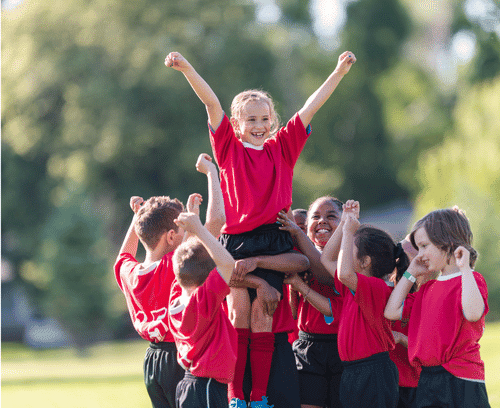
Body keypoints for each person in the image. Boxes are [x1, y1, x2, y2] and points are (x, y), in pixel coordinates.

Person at [165, 50, 356, 407]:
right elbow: (210, 102)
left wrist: (338, 73)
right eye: (250, 119)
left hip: (271, 237)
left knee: (261, 316)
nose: (258, 124)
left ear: (272, 121)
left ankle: (258, 395)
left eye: (264, 118)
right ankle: (236, 394)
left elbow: (311, 107)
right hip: (235, 241)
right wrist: (187, 67)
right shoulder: (228, 149)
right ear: (236, 125)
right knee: (237, 311)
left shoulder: (283, 147)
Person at [114, 154, 224, 408]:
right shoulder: (174, 265)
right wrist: (211, 176)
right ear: (171, 236)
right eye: (184, 229)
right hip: (179, 354)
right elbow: (215, 225)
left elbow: (123, 255)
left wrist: (137, 217)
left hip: (152, 360)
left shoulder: (129, 272)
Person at [384, 207, 491, 408]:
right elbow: (391, 312)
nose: (420, 254)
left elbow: (474, 313)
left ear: (448, 243)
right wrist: (411, 272)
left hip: (462, 378)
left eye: (424, 246)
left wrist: (465, 268)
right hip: (428, 379)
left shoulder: (471, 279)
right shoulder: (428, 290)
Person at [319, 200, 409, 408]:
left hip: (373, 371)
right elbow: (326, 259)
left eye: (349, 248)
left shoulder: (377, 288)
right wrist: (344, 224)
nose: (343, 252)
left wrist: (350, 232)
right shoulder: (352, 287)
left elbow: (343, 271)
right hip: (354, 371)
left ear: (365, 261)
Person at [277, 196, 344, 408]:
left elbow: (334, 309)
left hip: (341, 347)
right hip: (308, 346)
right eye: (316, 216)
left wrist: (301, 286)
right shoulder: (298, 256)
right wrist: (293, 286)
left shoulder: (349, 257)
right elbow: (294, 313)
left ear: (344, 223)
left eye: (331, 216)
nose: (322, 221)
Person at [169, 211, 237, 408]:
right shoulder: (202, 301)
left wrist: (192, 229)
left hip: (189, 385)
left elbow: (184, 264)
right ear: (209, 278)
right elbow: (228, 263)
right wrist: (198, 228)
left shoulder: (174, 301)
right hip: (206, 386)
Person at [387, 239, 435, 408]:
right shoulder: (386, 293)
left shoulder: (429, 296)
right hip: (388, 383)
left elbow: (432, 346)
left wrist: (400, 338)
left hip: (418, 383)